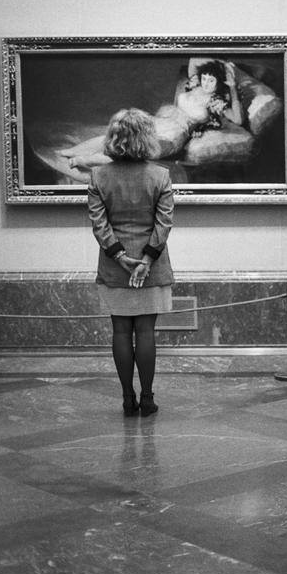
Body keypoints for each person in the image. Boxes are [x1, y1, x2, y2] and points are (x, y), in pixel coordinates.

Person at [86, 108, 175, 417]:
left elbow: (99, 224)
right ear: (147, 137)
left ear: (114, 137)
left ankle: (128, 398)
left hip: (115, 266)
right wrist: (146, 260)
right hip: (152, 265)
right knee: (146, 332)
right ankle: (147, 399)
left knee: (121, 332)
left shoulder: (99, 175)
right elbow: (164, 223)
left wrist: (121, 256)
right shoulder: (160, 175)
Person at [61, 58, 243, 169]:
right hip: (159, 122)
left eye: (211, 81)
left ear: (219, 83)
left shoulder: (216, 101)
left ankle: (84, 160)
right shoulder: (194, 84)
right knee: (118, 137)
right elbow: (194, 61)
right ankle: (71, 152)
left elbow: (238, 119)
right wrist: (219, 64)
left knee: (132, 155)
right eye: (204, 78)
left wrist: (233, 87)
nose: (206, 83)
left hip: (175, 134)